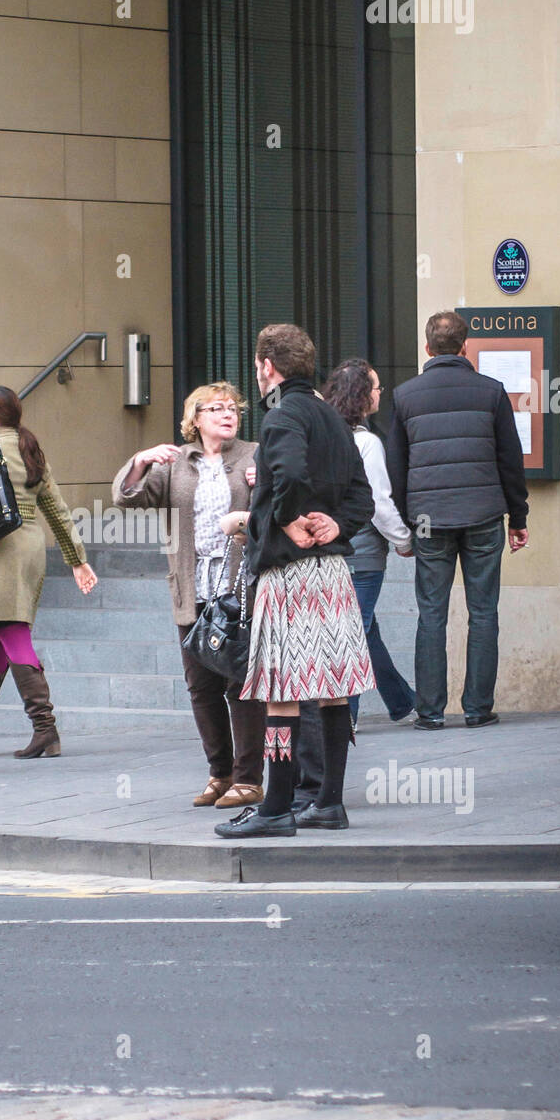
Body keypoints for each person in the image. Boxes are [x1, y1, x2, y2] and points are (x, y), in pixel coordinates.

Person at [214, 324, 376, 838]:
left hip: (287, 572)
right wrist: (337, 523)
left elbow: (287, 473)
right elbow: (361, 496)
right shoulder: (332, 415)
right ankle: (329, 804)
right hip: (331, 571)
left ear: (267, 366)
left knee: (281, 693)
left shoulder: (283, 415)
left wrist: (285, 519)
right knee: (330, 690)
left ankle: (277, 809)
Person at [112, 383, 267, 809]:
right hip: (192, 585)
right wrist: (141, 460)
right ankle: (220, 773)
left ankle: (249, 778)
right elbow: (127, 498)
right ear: (194, 419)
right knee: (201, 685)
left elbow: (279, 504)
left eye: (232, 408)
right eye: (215, 408)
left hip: (239, 586)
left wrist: (265, 482)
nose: (227, 414)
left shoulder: (255, 454)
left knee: (241, 681)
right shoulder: (177, 462)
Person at [386, 310, 529, 729]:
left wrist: (407, 522)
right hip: (484, 515)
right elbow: (510, 461)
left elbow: (397, 468)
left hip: (430, 520)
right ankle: (477, 708)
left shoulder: (405, 395)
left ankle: (430, 712)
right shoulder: (491, 391)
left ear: (427, 348)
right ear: (465, 347)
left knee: (431, 613)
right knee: (484, 612)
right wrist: (517, 517)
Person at [0, 386, 97, 759]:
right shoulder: (30, 447)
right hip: (29, 547)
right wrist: (77, 559)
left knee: (11, 635)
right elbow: (57, 510)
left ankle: (45, 729)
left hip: (1, 553)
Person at [323, 357, 415, 727]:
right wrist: (404, 540)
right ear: (362, 396)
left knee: (364, 627)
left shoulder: (323, 437)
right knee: (354, 632)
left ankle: (403, 702)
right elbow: (378, 503)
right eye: (375, 387)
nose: (379, 393)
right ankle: (346, 718)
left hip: (330, 552)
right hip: (362, 556)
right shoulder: (367, 443)